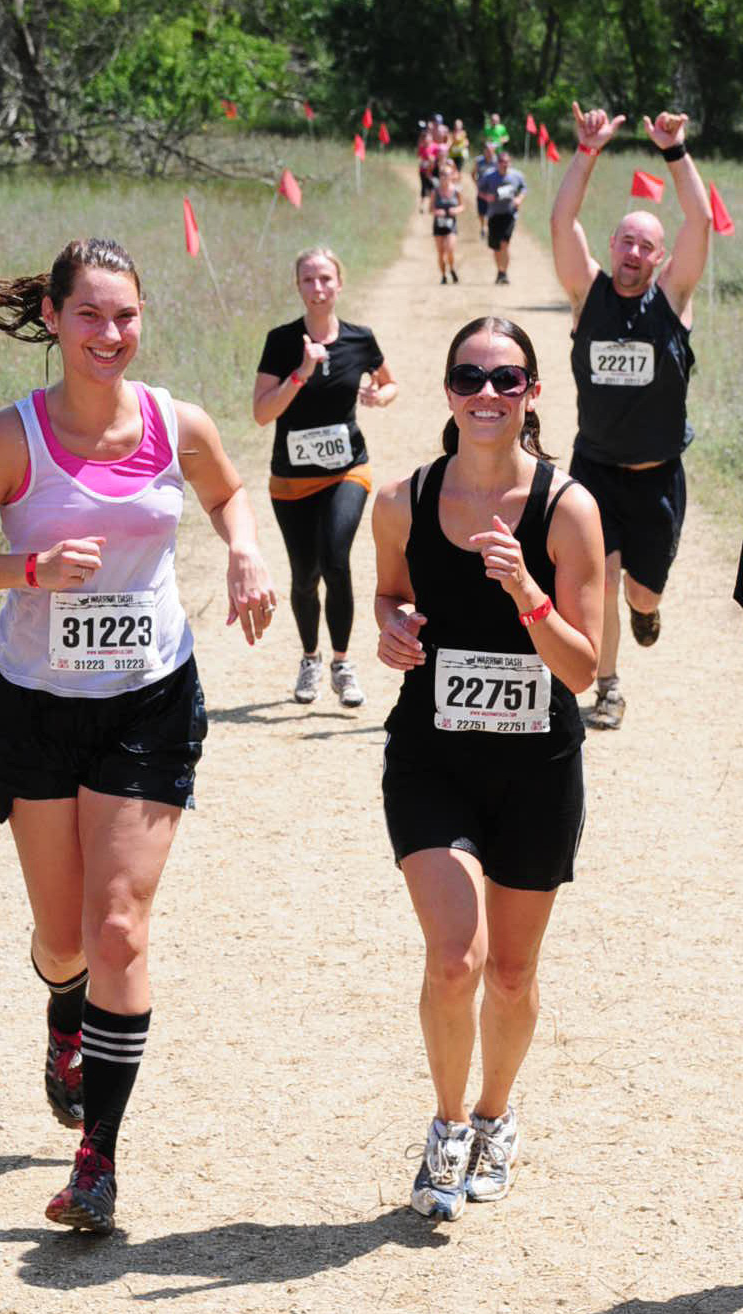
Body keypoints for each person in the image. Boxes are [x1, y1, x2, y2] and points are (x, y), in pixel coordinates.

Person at [0, 237, 276, 1233]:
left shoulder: (176, 422)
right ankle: (63, 1014)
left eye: (126, 316)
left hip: (148, 700)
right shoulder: (12, 438)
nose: (110, 334)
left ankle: (97, 1164)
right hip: (34, 700)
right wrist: (24, 573)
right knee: (65, 937)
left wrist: (243, 555)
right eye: (90, 315)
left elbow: (228, 494)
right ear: (52, 318)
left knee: (119, 929)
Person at [372, 316, 603, 1221]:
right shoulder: (403, 501)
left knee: (510, 971)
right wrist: (391, 627)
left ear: (532, 395)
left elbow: (584, 668)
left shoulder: (567, 507)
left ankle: (496, 1116)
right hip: (431, 755)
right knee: (455, 956)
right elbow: (391, 593)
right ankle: (446, 1126)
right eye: (469, 378)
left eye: (506, 380)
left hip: (537, 767)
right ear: (448, 392)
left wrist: (525, 591)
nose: (487, 395)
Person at [551, 103, 711, 728]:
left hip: (658, 476)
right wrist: (587, 150)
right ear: (611, 244)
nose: (635, 252)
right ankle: (608, 687)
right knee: (603, 581)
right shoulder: (584, 292)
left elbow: (700, 218)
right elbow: (562, 220)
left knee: (641, 591)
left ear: (659, 257)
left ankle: (649, 609)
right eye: (627, 240)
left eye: (648, 245)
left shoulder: (671, 298)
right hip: (594, 469)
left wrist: (675, 151)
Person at [254, 247, 397, 707]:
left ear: (339, 284)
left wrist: (381, 395)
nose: (318, 288)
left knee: (336, 558)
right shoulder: (281, 341)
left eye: (325, 279)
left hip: (346, 469)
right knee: (304, 574)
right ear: (298, 286)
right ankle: (310, 659)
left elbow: (390, 382)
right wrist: (301, 372)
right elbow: (261, 413)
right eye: (308, 280)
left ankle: (341, 663)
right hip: (292, 480)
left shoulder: (360, 338)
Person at [479, 151, 527, 284]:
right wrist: (486, 197)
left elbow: (524, 189)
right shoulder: (489, 176)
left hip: (509, 214)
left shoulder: (517, 176)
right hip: (494, 214)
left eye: (507, 162)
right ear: (497, 163)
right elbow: (480, 190)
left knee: (504, 243)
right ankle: (499, 271)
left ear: (510, 163)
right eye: (502, 162)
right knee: (496, 247)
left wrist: (519, 199)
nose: (504, 165)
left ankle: (504, 272)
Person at [430, 165, 464, 284]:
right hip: (438, 224)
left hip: (451, 224)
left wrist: (455, 210)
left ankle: (452, 268)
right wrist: (437, 211)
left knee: (450, 249)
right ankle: (443, 275)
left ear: (451, 176)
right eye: (442, 174)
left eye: (447, 174)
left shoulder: (456, 191)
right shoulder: (435, 191)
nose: (445, 177)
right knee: (440, 252)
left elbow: (462, 206)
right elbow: (431, 208)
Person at [472, 141, 498, 241]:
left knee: (492, 210)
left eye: (491, 151)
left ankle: (489, 228)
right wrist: (477, 184)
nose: (489, 152)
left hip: (493, 190)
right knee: (481, 211)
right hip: (482, 190)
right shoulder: (479, 161)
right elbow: (473, 173)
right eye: (487, 150)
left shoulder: (497, 161)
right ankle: (483, 226)